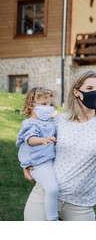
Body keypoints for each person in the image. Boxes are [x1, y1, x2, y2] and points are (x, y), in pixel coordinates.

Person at [23, 70, 96, 221]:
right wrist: (26, 164)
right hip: (43, 196)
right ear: (76, 92)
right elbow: (33, 141)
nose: (95, 93)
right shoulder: (60, 120)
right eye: (89, 89)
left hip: (80, 206)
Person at [16, 87, 58, 221]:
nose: (49, 107)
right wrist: (43, 140)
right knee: (51, 189)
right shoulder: (30, 123)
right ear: (31, 105)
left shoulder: (48, 122)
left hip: (49, 161)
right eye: (44, 104)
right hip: (38, 165)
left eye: (50, 104)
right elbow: (30, 139)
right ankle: (52, 219)